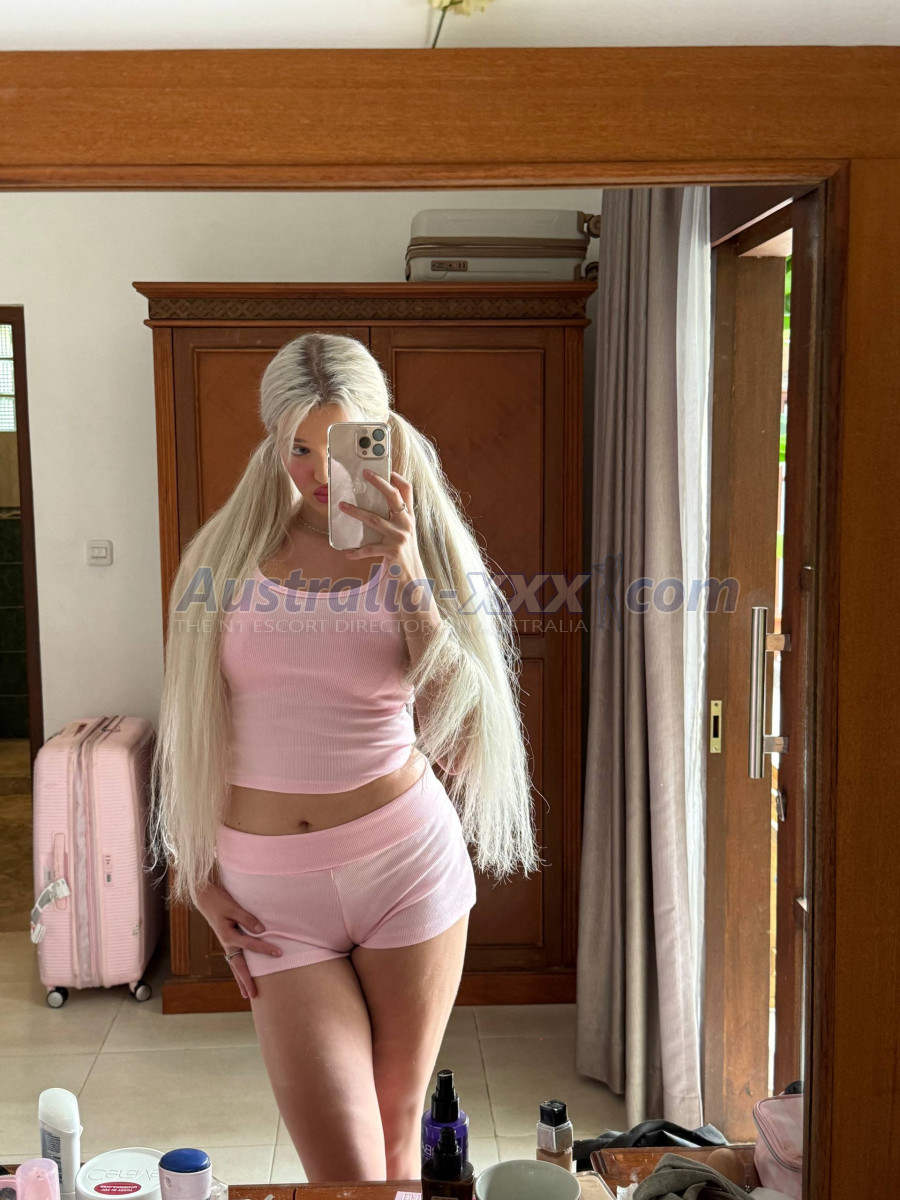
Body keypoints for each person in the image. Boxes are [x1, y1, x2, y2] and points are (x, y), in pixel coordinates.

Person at [148, 332, 543, 1183]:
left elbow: (462, 740)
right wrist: (195, 875)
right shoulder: (225, 557)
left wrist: (403, 567)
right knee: (347, 1173)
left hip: (407, 869)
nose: (319, 472)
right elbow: (193, 726)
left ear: (381, 433)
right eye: (298, 447)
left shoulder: (423, 547)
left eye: (341, 445)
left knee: (400, 1145)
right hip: (272, 901)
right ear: (272, 440)